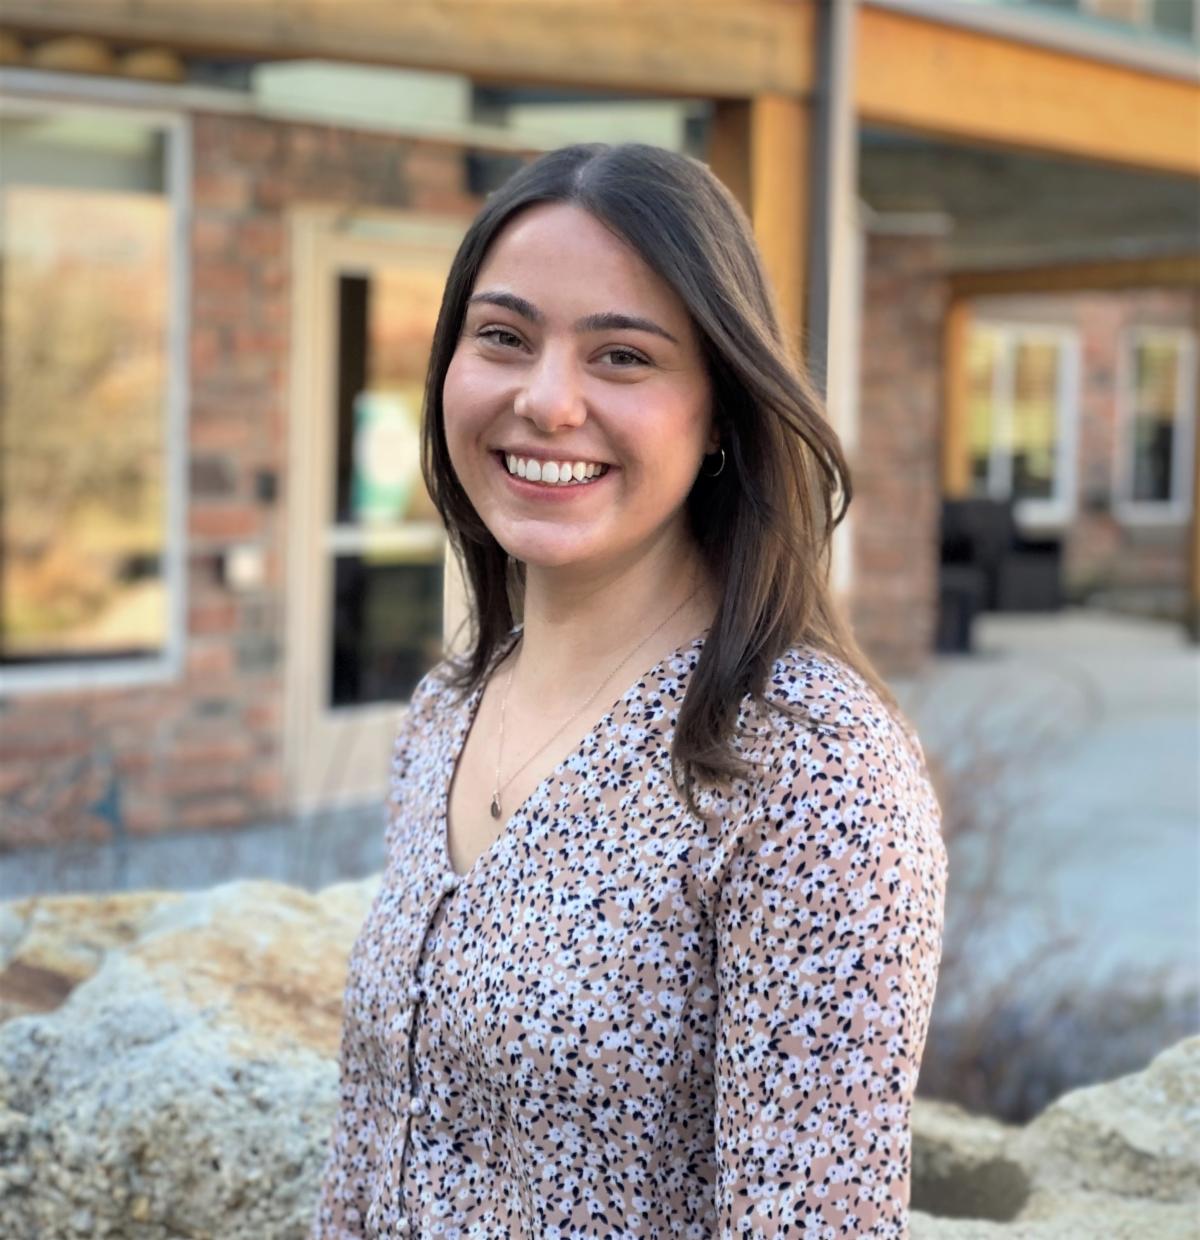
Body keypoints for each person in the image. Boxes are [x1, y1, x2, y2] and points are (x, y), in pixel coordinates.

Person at [313, 141, 948, 1239]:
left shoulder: (809, 770)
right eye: (503, 337)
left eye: (622, 356)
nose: (546, 401)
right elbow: (369, 1159)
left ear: (721, 411)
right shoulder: (446, 712)